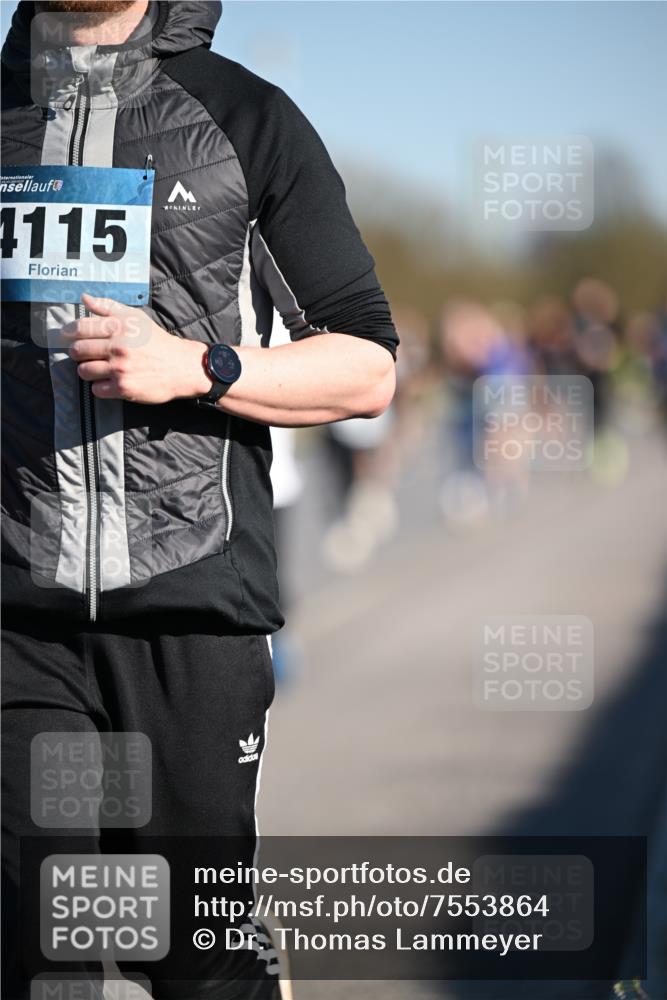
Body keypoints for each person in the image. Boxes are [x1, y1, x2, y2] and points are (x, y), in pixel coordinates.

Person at [0, 2, 398, 998]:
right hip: (17, 623)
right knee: (36, 954)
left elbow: (364, 369)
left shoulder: (247, 118)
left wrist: (195, 365)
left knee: (193, 962)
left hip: (190, 614)